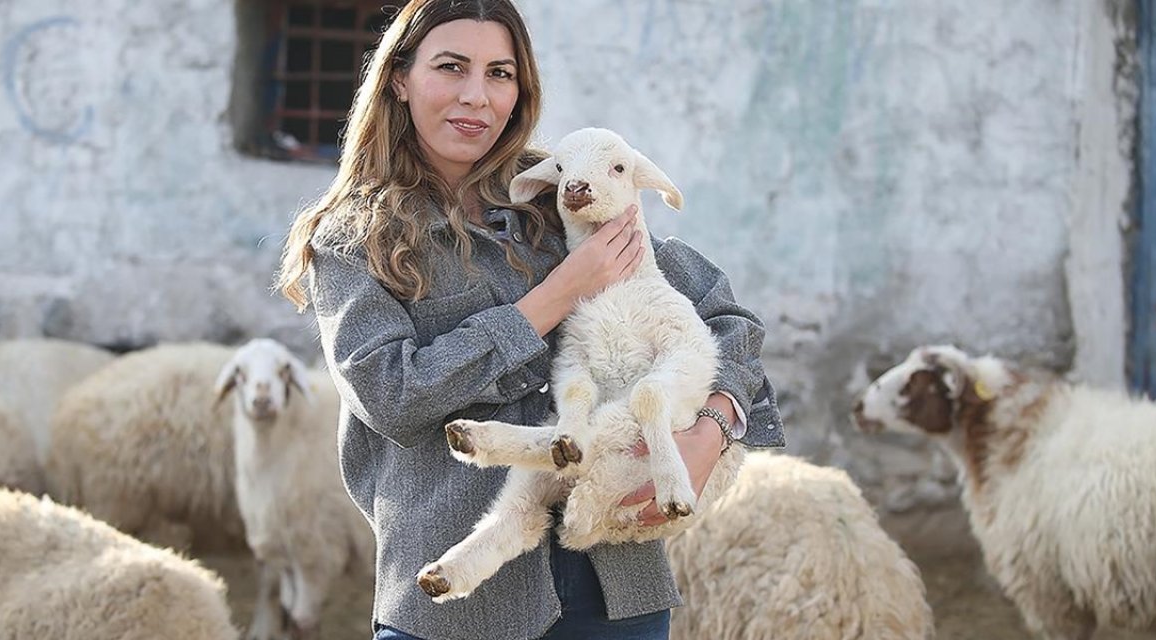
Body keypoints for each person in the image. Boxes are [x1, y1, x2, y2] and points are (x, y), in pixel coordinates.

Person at [276, 1, 784, 638]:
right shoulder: (353, 240)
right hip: (458, 606)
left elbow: (727, 320)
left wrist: (713, 428)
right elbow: (392, 396)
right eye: (451, 67)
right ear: (400, 79)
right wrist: (558, 294)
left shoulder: (567, 194)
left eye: (500, 73)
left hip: (614, 586)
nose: (477, 96)